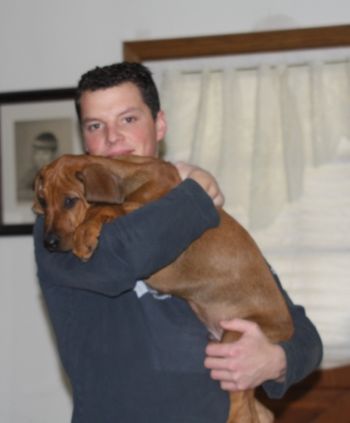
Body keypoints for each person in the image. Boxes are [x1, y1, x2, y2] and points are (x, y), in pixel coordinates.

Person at [34, 62, 323, 423]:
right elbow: (126, 253)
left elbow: (306, 337)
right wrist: (193, 192)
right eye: (96, 126)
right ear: (83, 138)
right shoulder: (58, 231)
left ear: (159, 125)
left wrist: (277, 360)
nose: (112, 138)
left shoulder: (202, 218)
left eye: (128, 119)